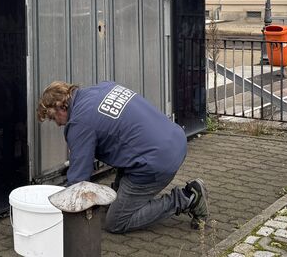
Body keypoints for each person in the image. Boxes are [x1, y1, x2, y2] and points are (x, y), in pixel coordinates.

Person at [37, 81, 210, 233]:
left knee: (116, 222)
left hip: (157, 161)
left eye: (53, 117)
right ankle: (125, 199)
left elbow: (78, 182)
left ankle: (188, 198)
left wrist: (57, 214)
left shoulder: (79, 123)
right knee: (115, 200)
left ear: (62, 106)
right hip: (174, 139)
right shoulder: (102, 88)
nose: (58, 123)